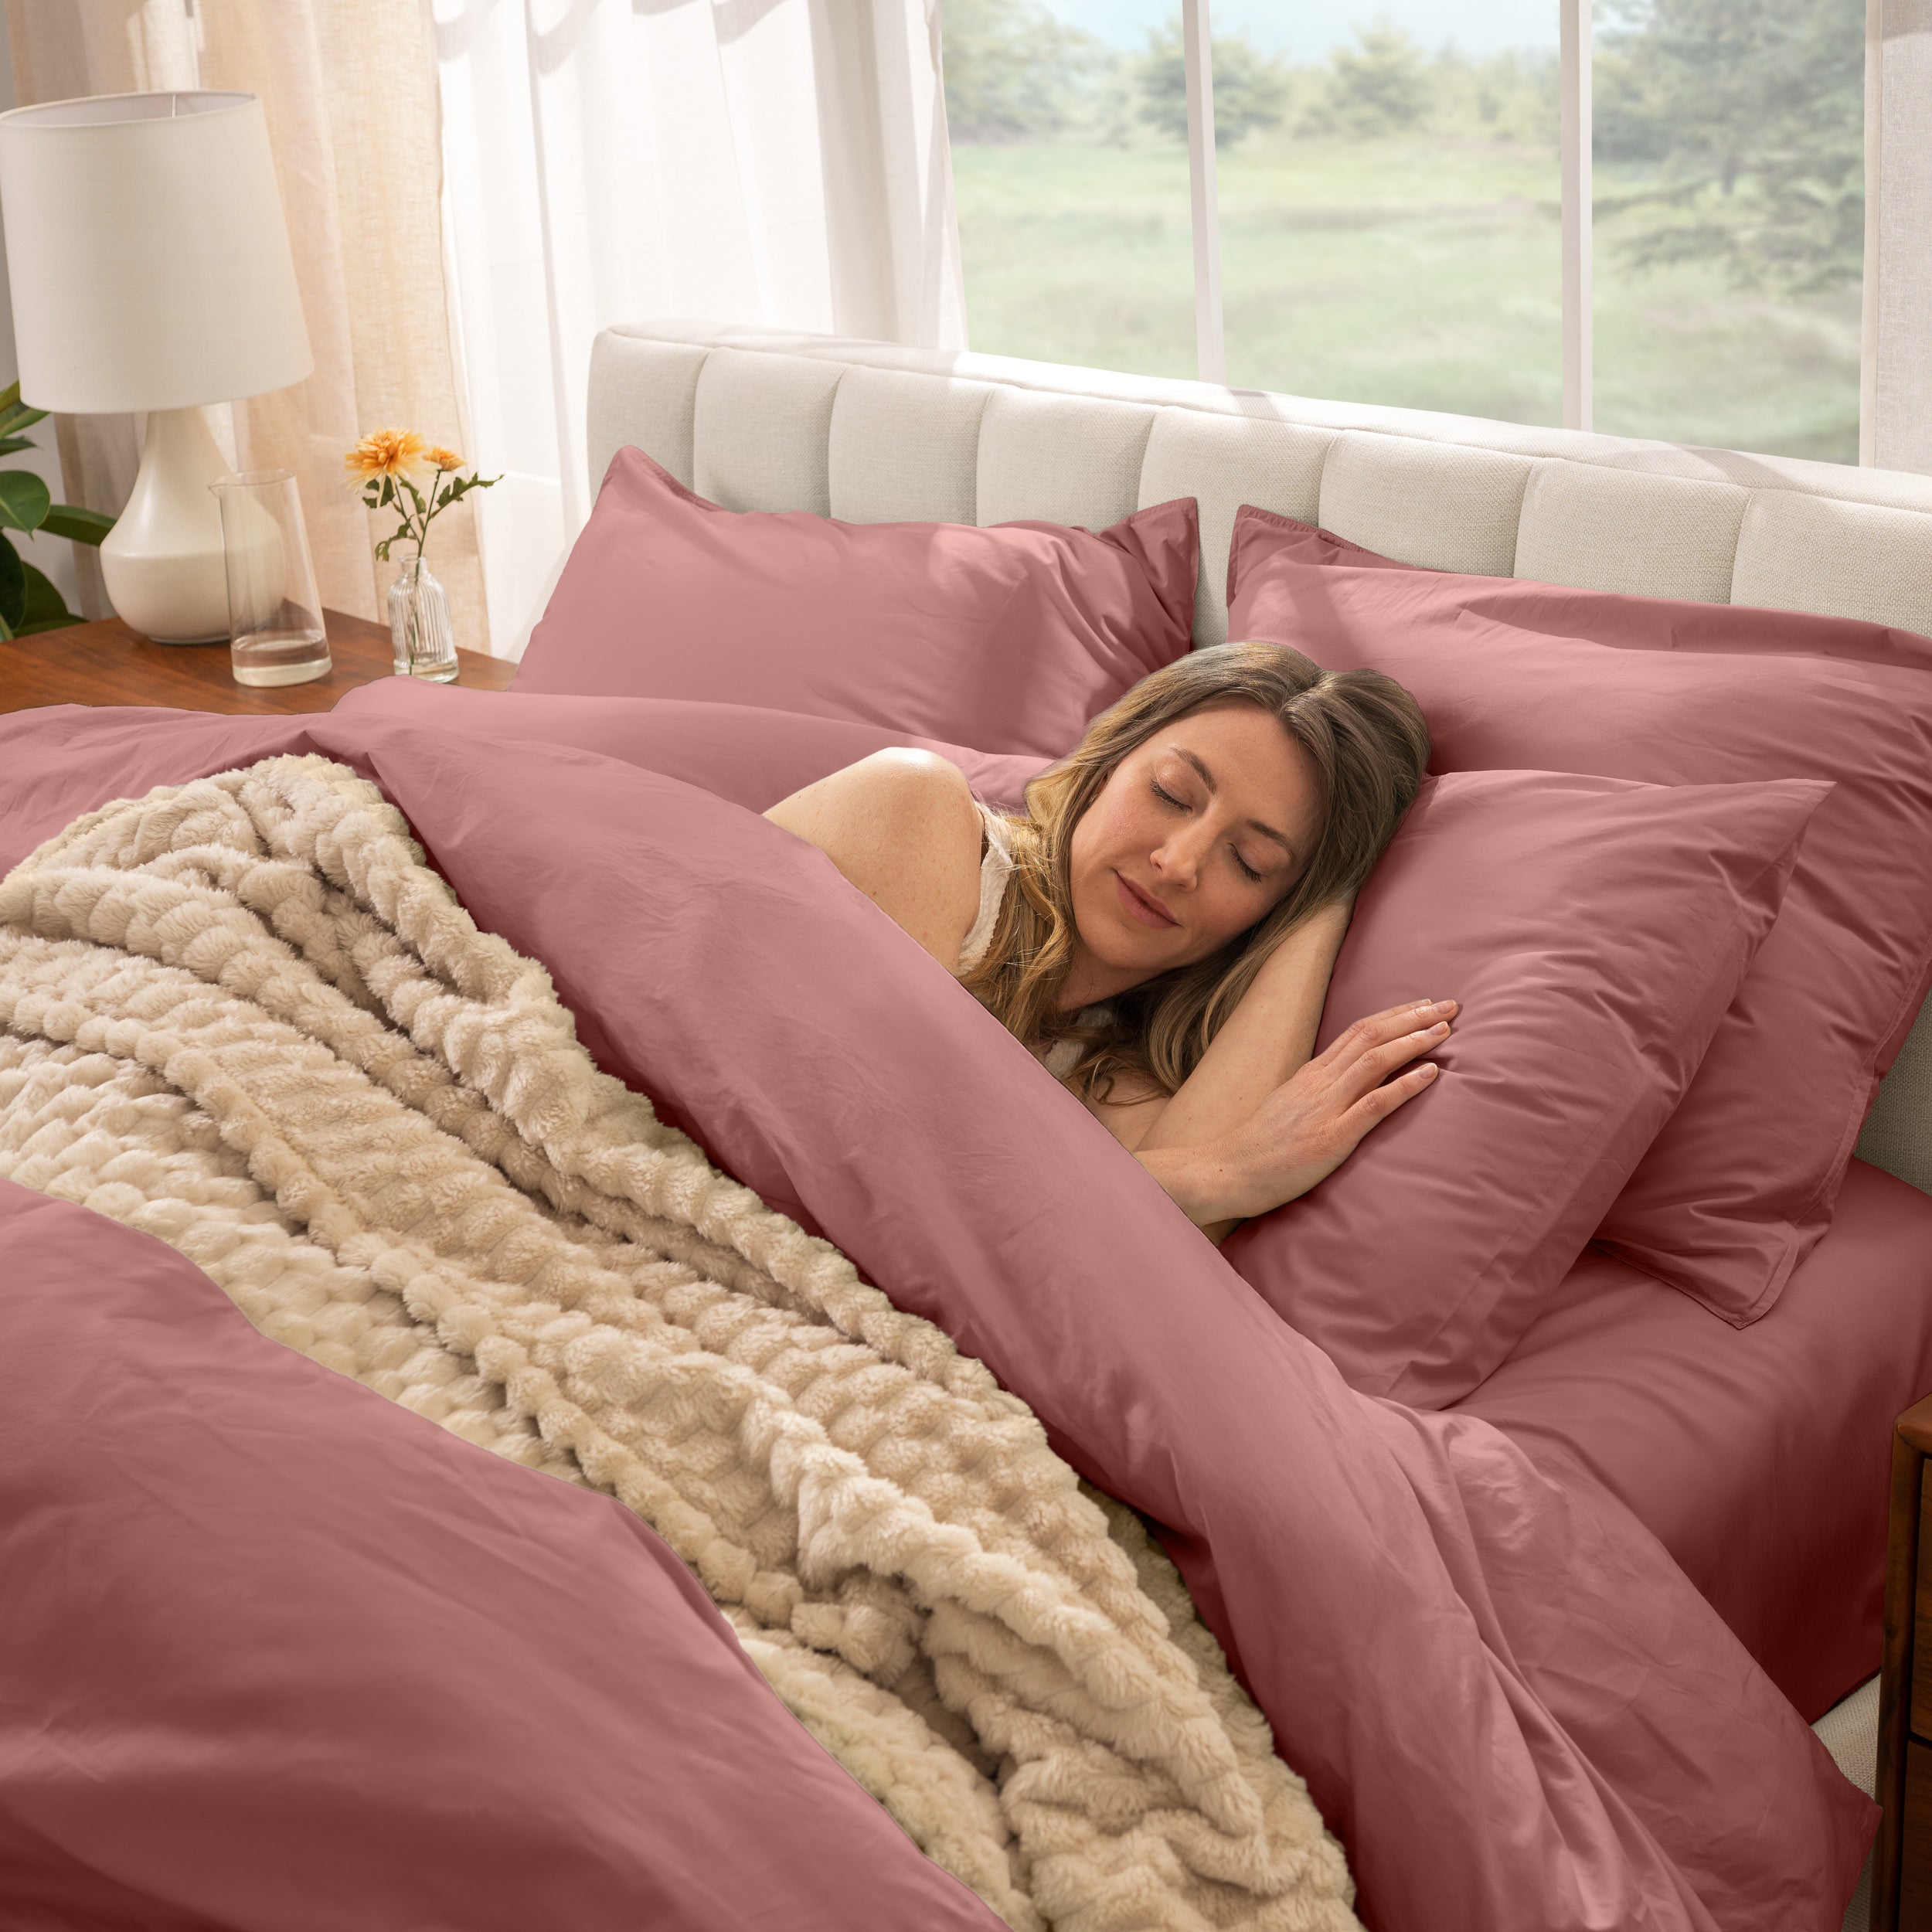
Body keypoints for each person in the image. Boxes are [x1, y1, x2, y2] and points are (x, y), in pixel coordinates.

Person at [765, 640, 1451, 1242]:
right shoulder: (913, 807)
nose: (1179, 864)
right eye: (1172, 794)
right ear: (1110, 761)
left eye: (1250, 863)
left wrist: (1322, 907)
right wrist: (1227, 1171)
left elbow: (1160, 1265)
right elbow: (880, 1163)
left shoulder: (1115, 1075)